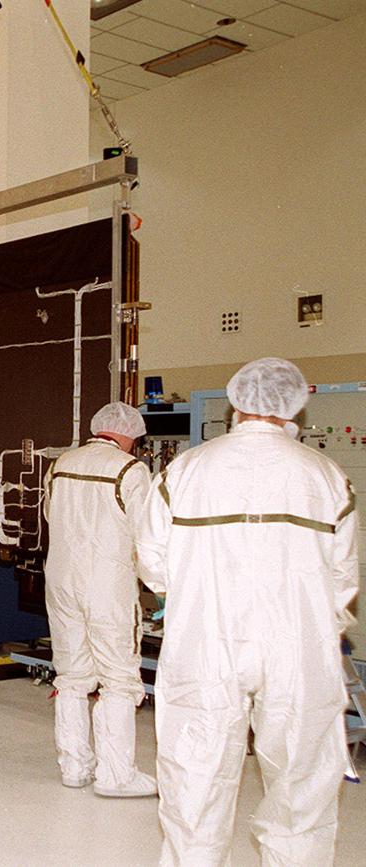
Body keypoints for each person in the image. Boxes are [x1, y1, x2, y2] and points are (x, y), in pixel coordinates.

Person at [136, 358, 359, 865]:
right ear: (295, 405)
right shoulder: (326, 475)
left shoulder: (185, 471)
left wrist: (194, 593)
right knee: (301, 786)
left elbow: (152, 563)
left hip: (205, 645)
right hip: (298, 650)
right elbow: (342, 578)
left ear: (237, 403)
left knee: (195, 779)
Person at [42, 402, 156, 797]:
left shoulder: (61, 464)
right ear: (129, 436)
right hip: (107, 587)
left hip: (60, 582)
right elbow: (147, 535)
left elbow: (49, 516)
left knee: (72, 675)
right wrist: (162, 586)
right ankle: (116, 775)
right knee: (119, 679)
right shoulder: (129, 470)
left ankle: (74, 767)